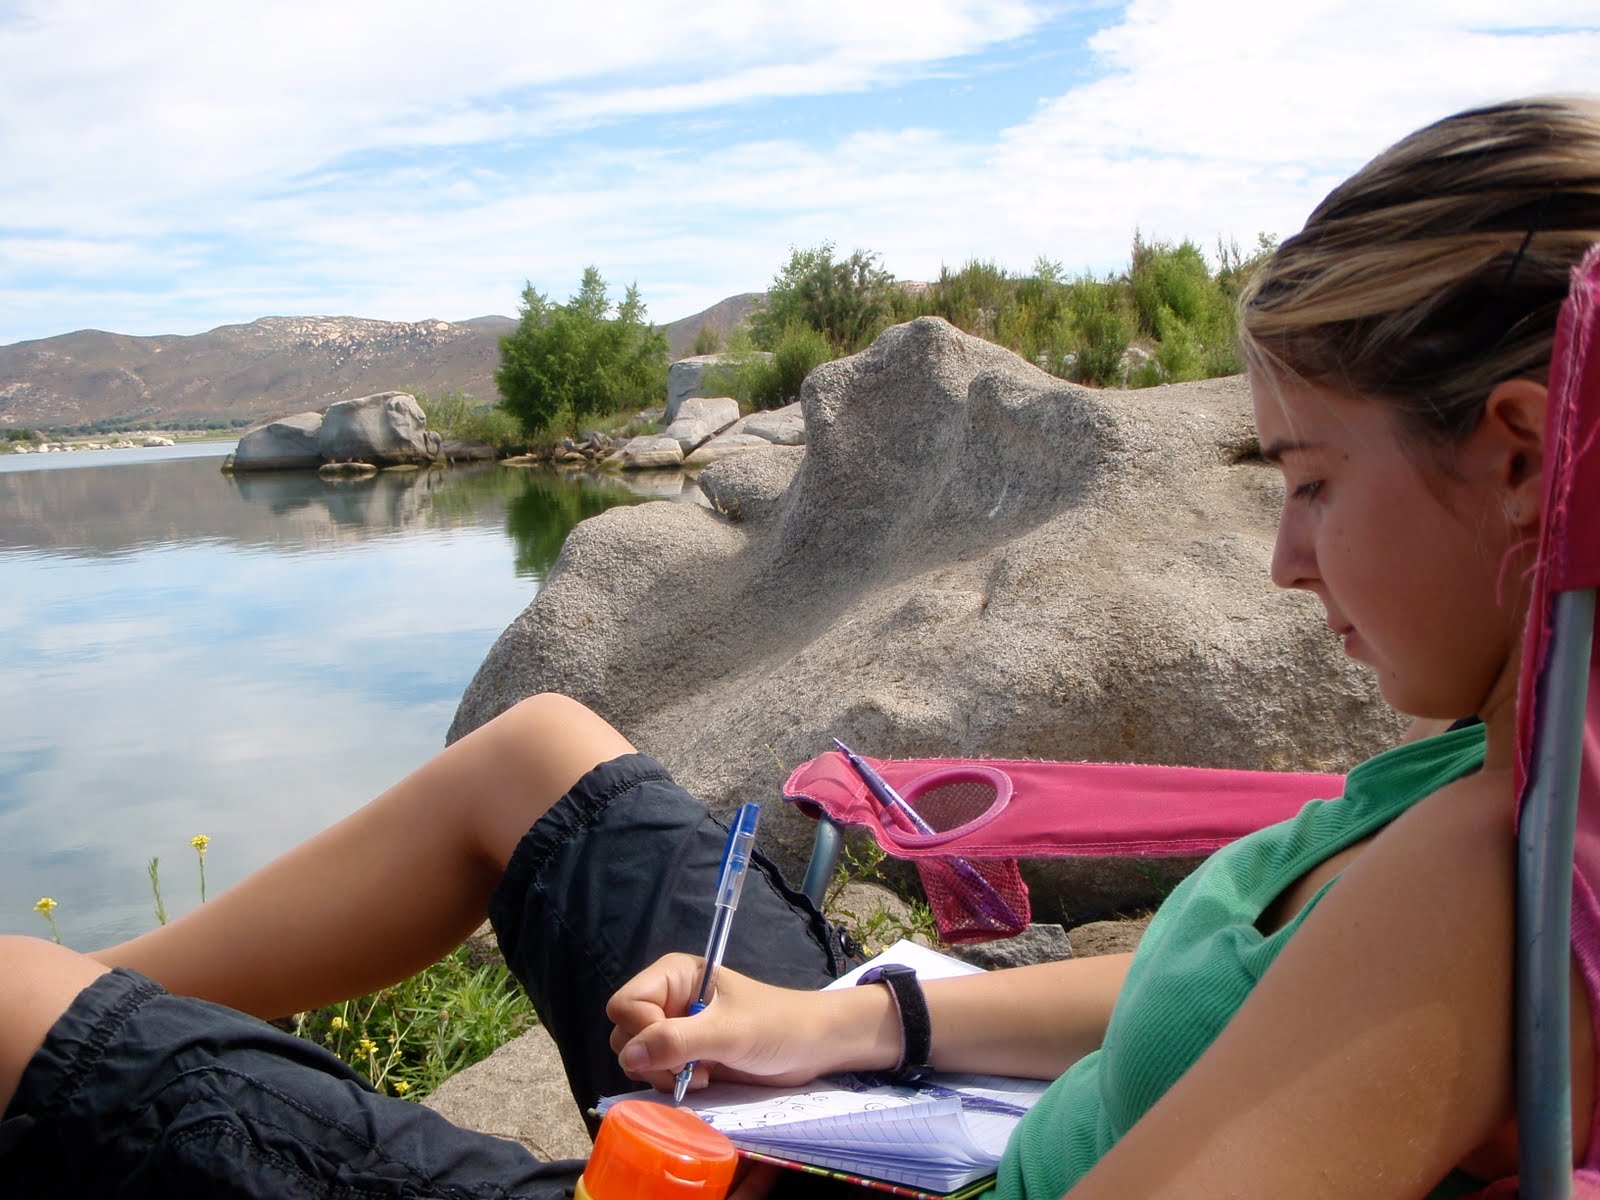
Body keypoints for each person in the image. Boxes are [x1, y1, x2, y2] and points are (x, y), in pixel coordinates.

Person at [2, 93, 1599, 1199]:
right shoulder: (1496, 772)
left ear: (1527, 456)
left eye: (1312, 481)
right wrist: (849, 1024)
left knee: (10, 1011)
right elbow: (1244, 983)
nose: (1285, 559)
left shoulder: (1482, 886)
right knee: (540, 754)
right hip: (924, 1121)